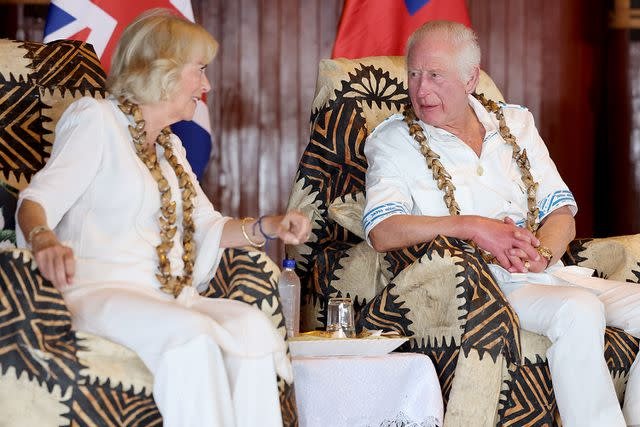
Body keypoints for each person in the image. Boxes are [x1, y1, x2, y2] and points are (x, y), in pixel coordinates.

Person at [15, 9, 311, 427]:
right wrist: (44, 240)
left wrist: (269, 226)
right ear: (164, 69)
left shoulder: (171, 148)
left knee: (252, 327)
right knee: (193, 336)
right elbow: (35, 200)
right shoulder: (96, 120)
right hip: (97, 290)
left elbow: (207, 226)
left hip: (168, 296)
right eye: (200, 70)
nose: (207, 86)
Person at [363, 20, 640, 427]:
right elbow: (382, 230)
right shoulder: (393, 141)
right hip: (476, 285)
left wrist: (542, 254)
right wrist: (473, 227)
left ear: (470, 77)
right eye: (415, 75)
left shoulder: (515, 123)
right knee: (578, 311)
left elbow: (560, 211)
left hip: (544, 273)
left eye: (435, 75)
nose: (421, 90)